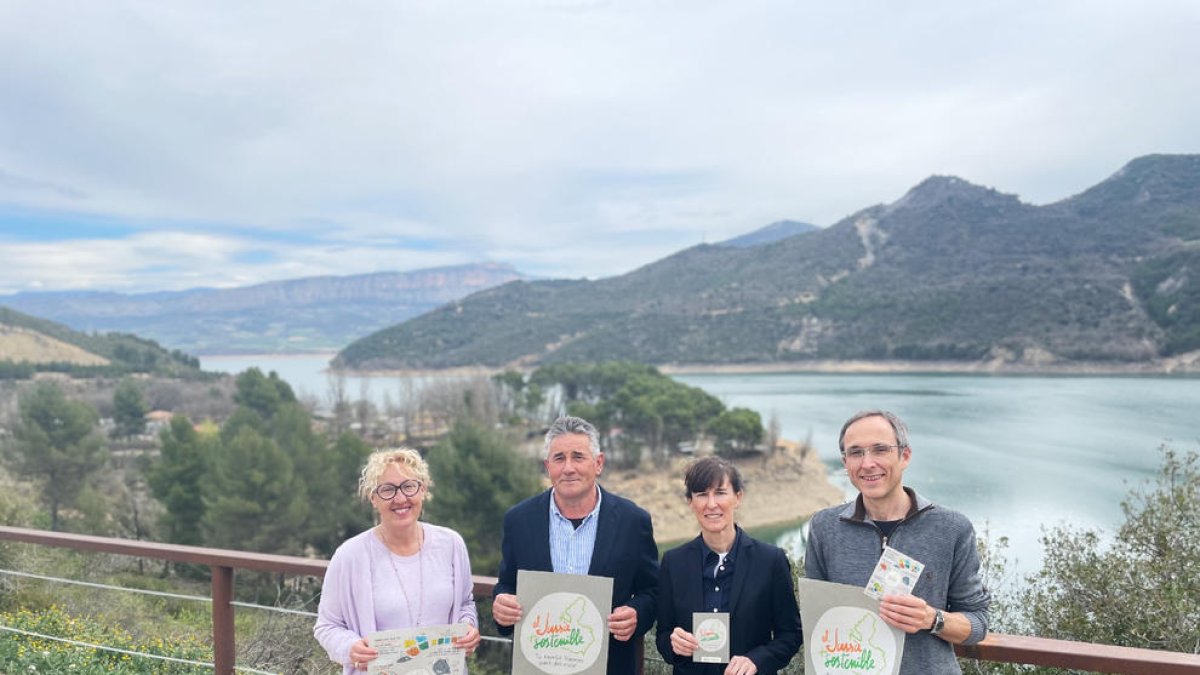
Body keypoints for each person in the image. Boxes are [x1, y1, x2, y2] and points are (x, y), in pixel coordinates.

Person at [804, 410, 990, 674]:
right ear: (845, 463)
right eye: (856, 453)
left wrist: (931, 618)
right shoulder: (824, 527)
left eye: (880, 450)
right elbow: (818, 616)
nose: (867, 463)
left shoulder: (952, 528)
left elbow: (978, 623)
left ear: (905, 456)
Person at [492, 415, 659, 675]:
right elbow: (506, 585)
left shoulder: (633, 521)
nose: (568, 468)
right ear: (548, 466)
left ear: (598, 463)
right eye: (559, 458)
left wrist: (637, 614)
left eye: (578, 457)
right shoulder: (519, 520)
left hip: (611, 667)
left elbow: (653, 590)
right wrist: (501, 604)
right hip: (537, 667)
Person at [314, 448, 481, 673]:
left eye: (409, 486)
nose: (400, 498)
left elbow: (465, 604)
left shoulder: (451, 544)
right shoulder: (350, 556)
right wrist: (349, 648)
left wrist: (468, 627)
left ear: (423, 490)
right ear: (373, 498)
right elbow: (327, 626)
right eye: (387, 490)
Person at [656, 456, 802, 675]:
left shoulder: (771, 560)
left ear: (738, 497)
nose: (711, 504)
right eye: (702, 494)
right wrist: (673, 644)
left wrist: (757, 661)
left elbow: (790, 634)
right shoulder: (673, 562)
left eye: (720, 493)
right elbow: (663, 634)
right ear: (690, 502)